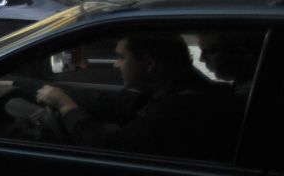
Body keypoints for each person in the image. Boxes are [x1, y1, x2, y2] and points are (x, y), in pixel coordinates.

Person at [34, 33, 219, 157]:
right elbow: (115, 103)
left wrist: (65, 106)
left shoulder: (174, 111)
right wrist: (42, 89)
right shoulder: (171, 92)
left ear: (148, 63)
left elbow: (107, 147)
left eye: (122, 57)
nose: (116, 65)